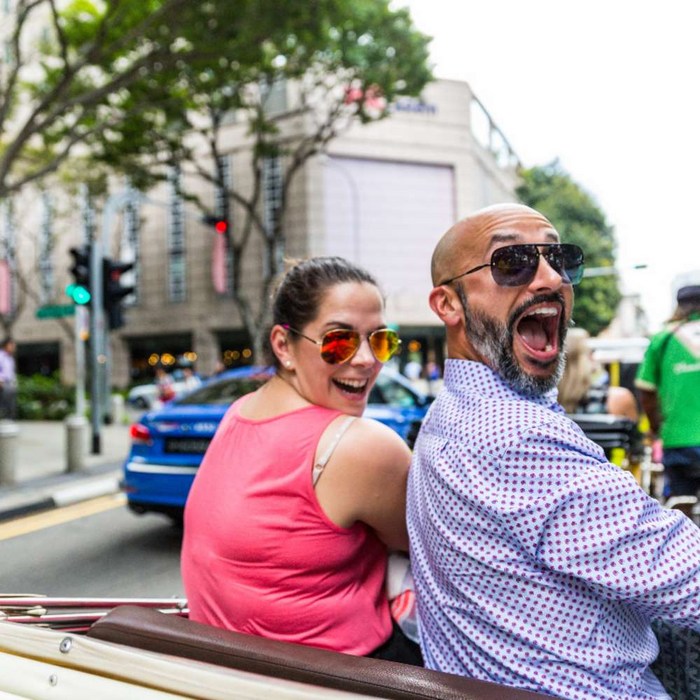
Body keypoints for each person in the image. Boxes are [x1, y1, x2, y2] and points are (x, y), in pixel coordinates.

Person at [407, 203, 700, 699]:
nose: (549, 278)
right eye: (511, 262)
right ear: (448, 304)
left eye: (559, 258)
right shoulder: (514, 435)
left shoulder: (452, 412)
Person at [181, 256, 422, 664]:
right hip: (339, 677)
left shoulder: (240, 411)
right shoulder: (360, 447)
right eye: (339, 341)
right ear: (283, 345)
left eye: (380, 340)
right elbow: (426, 548)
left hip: (225, 670)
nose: (366, 359)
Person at [635, 283, 700, 511]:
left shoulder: (663, 339)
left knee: (681, 509)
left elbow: (646, 391)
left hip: (678, 441)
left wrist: (655, 427)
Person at [558, 327, 639, 421]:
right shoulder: (618, 399)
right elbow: (635, 434)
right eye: (591, 352)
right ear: (585, 359)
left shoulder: (543, 404)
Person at [0, 337, 17, 420]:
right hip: (2, 384)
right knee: (5, 404)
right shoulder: (1, 356)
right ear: (5, 345)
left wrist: (14, 383)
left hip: (10, 384)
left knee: (11, 404)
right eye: (11, 345)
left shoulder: (10, 358)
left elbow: (11, 373)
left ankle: (9, 421)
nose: (13, 347)